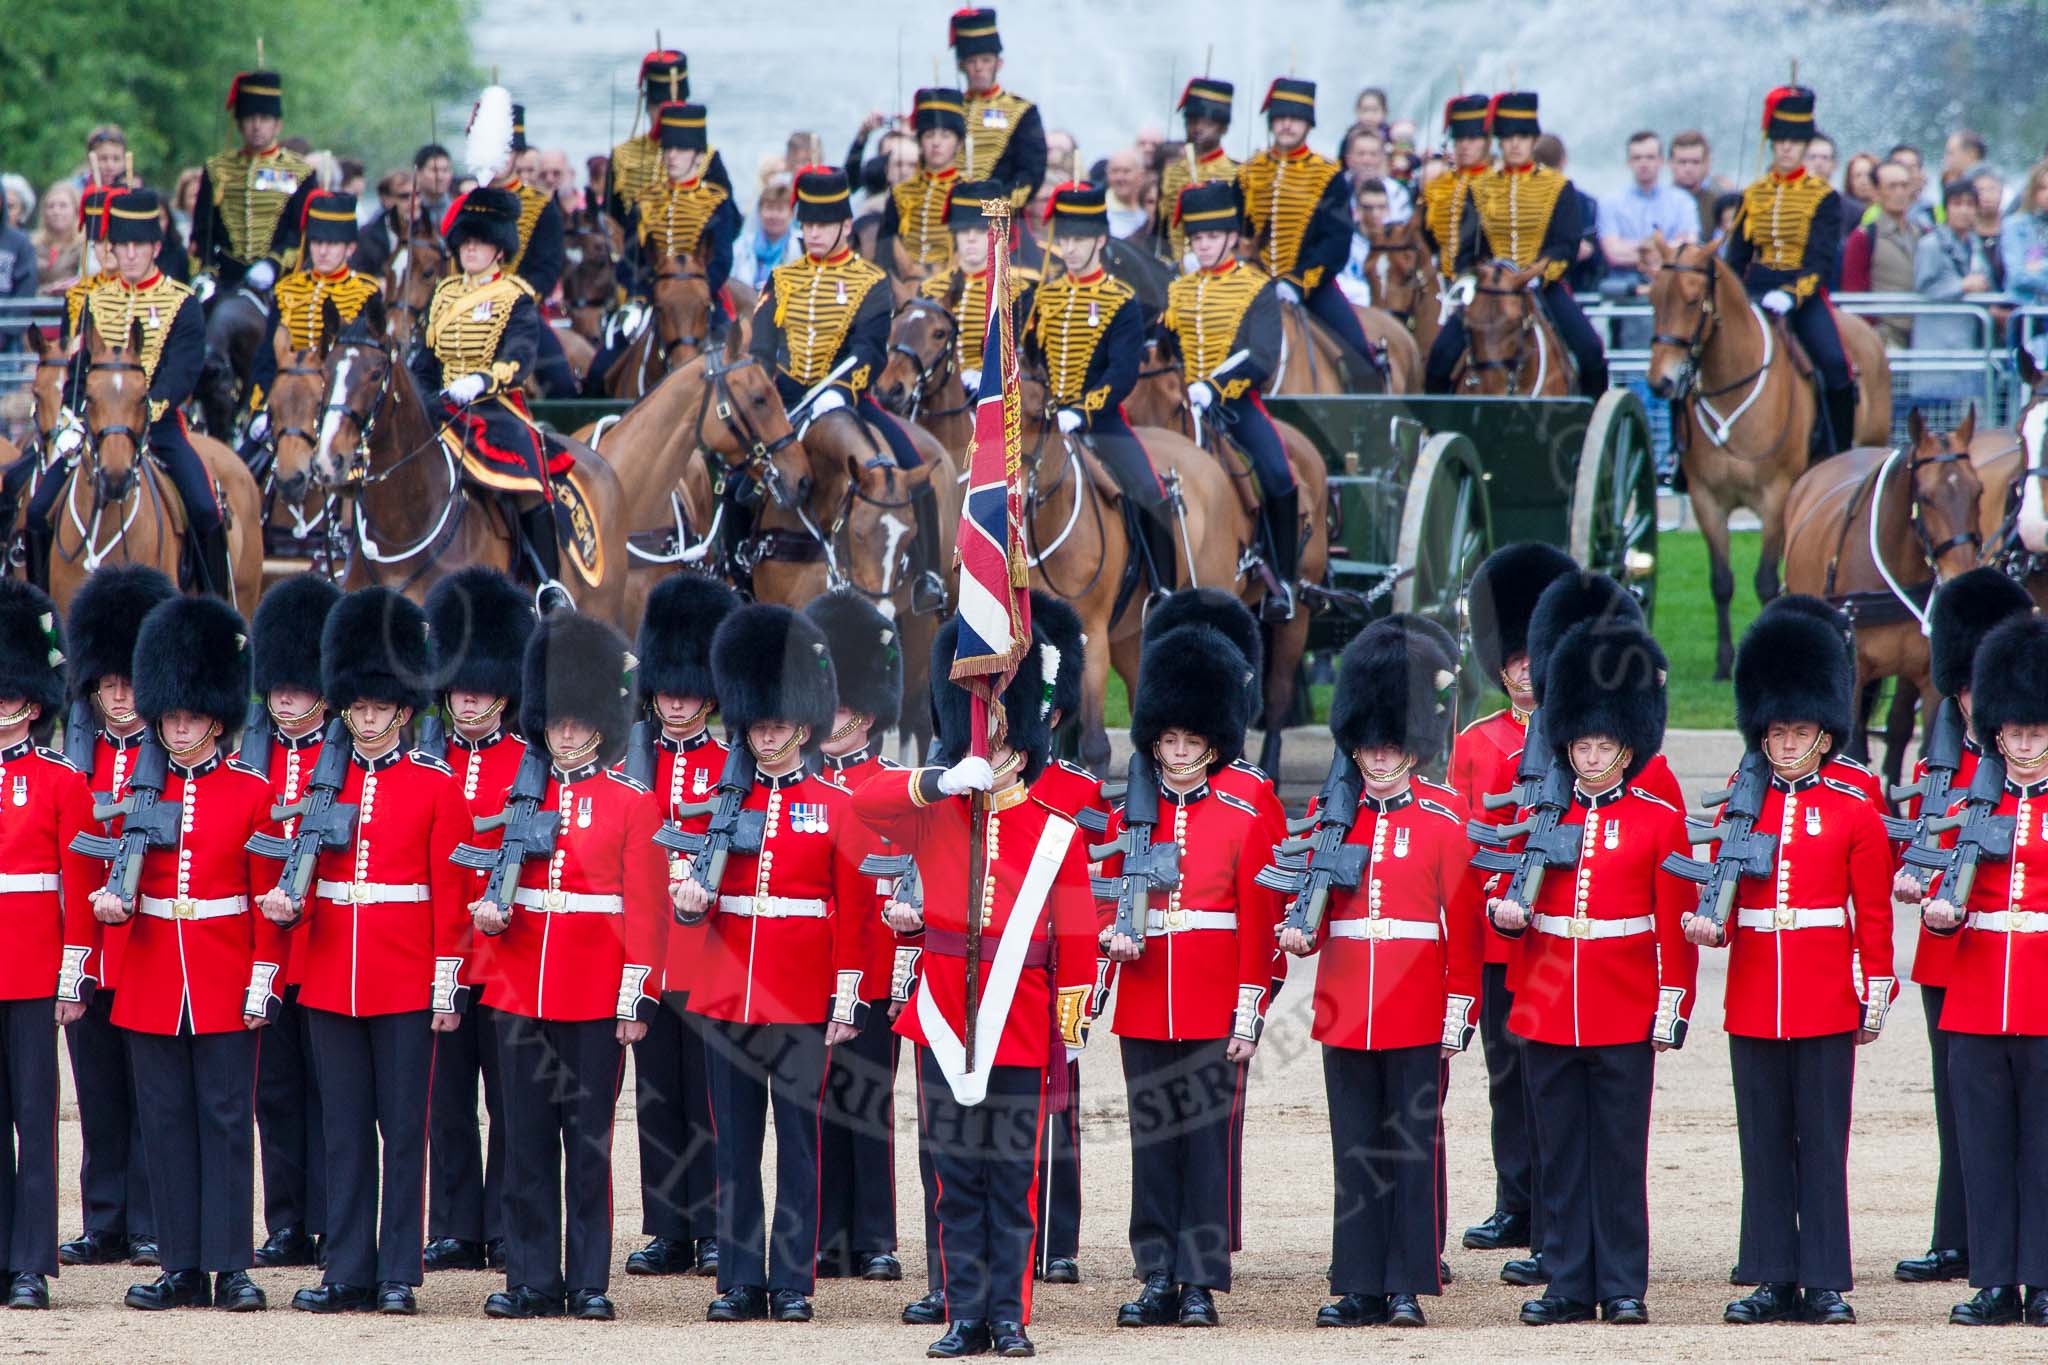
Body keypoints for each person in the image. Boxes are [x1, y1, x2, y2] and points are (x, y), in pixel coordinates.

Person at [851, 617, 1095, 1360]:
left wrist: (1069, 1027)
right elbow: (863, 799)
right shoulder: (938, 807)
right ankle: (964, 1313)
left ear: (1023, 742)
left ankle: (1010, 1316)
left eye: (1000, 732)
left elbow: (1077, 938)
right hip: (943, 1017)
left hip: (1019, 1019)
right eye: (978, 730)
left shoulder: (1057, 826)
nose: (989, 744)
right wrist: (938, 778)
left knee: (1010, 1179)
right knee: (954, 1177)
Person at [256, 587, 467, 1316]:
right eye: (361, 707)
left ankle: (397, 1273)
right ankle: (347, 1266)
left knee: (404, 1130)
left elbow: (448, 895)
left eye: (381, 707)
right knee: (343, 1130)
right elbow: (310, 874)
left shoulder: (436, 787)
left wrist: (445, 986)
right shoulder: (325, 780)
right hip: (329, 977)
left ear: (404, 709)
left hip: (406, 978)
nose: (369, 718)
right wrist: (292, 906)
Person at [1688, 606, 1895, 1326]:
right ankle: (1772, 1274)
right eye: (1774, 732)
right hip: (1754, 996)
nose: (1785, 743)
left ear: (1824, 734)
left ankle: (1825, 1278)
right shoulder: (1738, 814)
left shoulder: (1852, 810)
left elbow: (1871, 915)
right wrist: (1707, 924)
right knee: (1764, 1141)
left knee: (1821, 1137)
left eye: (1798, 732)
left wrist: (1874, 990)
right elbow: (1720, 899)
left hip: (1825, 994)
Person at [1487, 615, 1695, 1326]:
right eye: (1581, 741)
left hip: (1622, 1006)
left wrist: (1672, 1005)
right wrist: (1503, 915)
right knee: (1561, 1155)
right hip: (1548, 1008)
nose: (1591, 753)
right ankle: (1569, 1280)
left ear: (1626, 746)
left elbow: (1674, 929)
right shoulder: (1539, 817)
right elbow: (1505, 895)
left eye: (1603, 743)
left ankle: (1624, 1284)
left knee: (1618, 1153)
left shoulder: (1657, 820)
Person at [670, 604, 871, 1325]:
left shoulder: (834, 805)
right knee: (734, 1148)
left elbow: (853, 912)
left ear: (804, 727)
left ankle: (792, 1279)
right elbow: (688, 897)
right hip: (729, 997)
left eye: (778, 725)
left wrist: (845, 998)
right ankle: (739, 1278)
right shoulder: (718, 804)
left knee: (799, 1145)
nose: (767, 735)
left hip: (801, 999)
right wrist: (689, 900)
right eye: (758, 725)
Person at [1276, 620, 1477, 1328]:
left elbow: (1466, 932)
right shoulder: (1334, 818)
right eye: (1369, 745)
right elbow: (1318, 913)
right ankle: (1358, 1279)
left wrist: (1459, 1011)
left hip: (1418, 1006)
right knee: (1356, 1149)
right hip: (1344, 1006)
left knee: (1409, 1148)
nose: (1380, 756)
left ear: (1413, 748)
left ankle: (1405, 1282)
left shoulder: (1445, 818)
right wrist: (1301, 929)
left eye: (1392, 745)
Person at [472, 610, 666, 1321]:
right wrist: (488, 921)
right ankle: (531, 1277)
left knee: (586, 1147)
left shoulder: (630, 803)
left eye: (579, 722)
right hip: (520, 990)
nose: (566, 732)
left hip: (592, 997)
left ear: (600, 725)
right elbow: (487, 885)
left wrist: (635, 999)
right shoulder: (517, 796)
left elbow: (646, 913)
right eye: (556, 721)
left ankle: (587, 1279)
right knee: (522, 1141)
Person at [102, 595, 287, 1311]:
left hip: (222, 976)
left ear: (214, 715)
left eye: (189, 715)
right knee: (167, 1122)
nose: (178, 726)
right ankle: (180, 1263)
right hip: (154, 976)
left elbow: (266, 897)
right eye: (169, 715)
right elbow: (115, 884)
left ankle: (231, 1264)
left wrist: (261, 980)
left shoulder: (252, 792)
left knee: (226, 1119)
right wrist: (114, 916)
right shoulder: (136, 791)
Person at [1101, 618, 1279, 1330]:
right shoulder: (1132, 812)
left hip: (1212, 996)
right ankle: (1158, 1272)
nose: (1177, 753)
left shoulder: (1248, 802)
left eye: (1190, 741)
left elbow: (1261, 917)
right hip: (1145, 996)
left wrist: (1250, 1008)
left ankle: (1200, 1276)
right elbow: (1109, 896)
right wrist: (1111, 944)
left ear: (1213, 740)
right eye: (1167, 740)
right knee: (1153, 1137)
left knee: (1205, 1139)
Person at [1889, 570, 2033, 1290]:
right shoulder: (1941, 757)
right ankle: (1959, 1236)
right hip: (1949, 950)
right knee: (1960, 1104)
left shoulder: (2021, 757)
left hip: (2009, 952)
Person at [1453, 542, 1578, 1257]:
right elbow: (1464, 850)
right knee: (1506, 1074)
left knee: (1551, 1075)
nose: (1525, 670)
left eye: (1535, 657)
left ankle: (1556, 1207)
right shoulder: (1476, 743)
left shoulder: (1577, 738)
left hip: (1555, 934)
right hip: (1499, 941)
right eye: (1514, 660)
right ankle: (1515, 1200)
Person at [750, 166, 946, 613]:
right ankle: (737, 562)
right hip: (787, 403)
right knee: (739, 479)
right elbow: (762, 348)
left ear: (844, 226)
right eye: (808, 225)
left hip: (848, 400)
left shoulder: (872, 283)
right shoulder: (781, 281)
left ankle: (928, 575)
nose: (813, 234)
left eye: (823, 225)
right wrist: (771, 393)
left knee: (913, 467)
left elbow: (869, 350)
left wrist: (839, 389)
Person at [57, 566, 174, 1273]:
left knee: (150, 1090)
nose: (121, 695)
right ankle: (104, 1217)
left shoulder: (170, 755)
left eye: (130, 679)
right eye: (108, 683)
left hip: (153, 944)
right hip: (90, 945)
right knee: (97, 1089)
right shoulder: (77, 758)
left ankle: (151, 1217)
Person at [623, 573, 738, 1281]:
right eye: (668, 686)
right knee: (657, 1095)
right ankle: (669, 1226)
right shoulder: (630, 768)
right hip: (648, 955)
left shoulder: (731, 768)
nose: (675, 699)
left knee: (713, 1101)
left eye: (690, 688)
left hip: (711, 958)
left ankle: (718, 1228)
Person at [421, 567, 535, 1274]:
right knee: (444, 1097)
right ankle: (455, 1223)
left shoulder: (529, 762)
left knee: (511, 1098)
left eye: (482, 687)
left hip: (508, 953)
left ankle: (503, 1222)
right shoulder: (426, 763)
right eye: (460, 686)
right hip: (436, 952)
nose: (469, 698)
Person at [0, 581, 98, 1308]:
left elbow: (78, 885)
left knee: (37, 1116)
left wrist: (74, 975)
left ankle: (32, 1258)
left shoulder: (62, 779)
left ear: (32, 702)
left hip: (35, 966)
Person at [241, 574, 343, 1274]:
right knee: (273, 1092)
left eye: (299, 685)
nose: (285, 696)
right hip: (265, 948)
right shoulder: (255, 755)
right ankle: (286, 1222)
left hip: (328, 946)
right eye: (278, 685)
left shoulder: (341, 757)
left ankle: (335, 1219)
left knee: (331, 1093)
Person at [63, 189, 234, 599]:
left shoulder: (182, 302)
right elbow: (78, 366)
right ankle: (37, 609)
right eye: (123, 246)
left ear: (156, 247)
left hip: (159, 427)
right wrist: (71, 415)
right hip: (98, 430)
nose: (131, 255)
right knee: (35, 509)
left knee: (205, 509)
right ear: (112, 250)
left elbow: (184, 367)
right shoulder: (94, 300)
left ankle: (213, 604)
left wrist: (150, 407)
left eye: (139, 245)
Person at [805, 591, 905, 1283]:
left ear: (864, 715)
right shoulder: (798, 786)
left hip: (871, 973)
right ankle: (824, 1231)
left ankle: (874, 1235)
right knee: (814, 1104)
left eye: (837, 708)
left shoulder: (895, 788)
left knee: (866, 1102)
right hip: (808, 967)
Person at [406, 186, 571, 600]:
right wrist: (424, 397)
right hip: (439, 407)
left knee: (530, 480)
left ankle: (547, 584)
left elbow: (519, 357)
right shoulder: (443, 294)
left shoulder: (514, 297)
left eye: (480, 241)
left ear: (500, 249)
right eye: (466, 240)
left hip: (492, 408)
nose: (471, 248)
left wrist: (481, 381)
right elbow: (424, 361)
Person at [1025, 182, 1176, 599]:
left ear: (1101, 240)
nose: (1070, 249)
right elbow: (1032, 358)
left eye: (1080, 240)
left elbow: (1122, 372)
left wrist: (1083, 411)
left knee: (1149, 490)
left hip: (1101, 421)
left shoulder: (1121, 300)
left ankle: (1163, 590)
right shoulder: (1047, 295)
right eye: (1065, 239)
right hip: (1046, 423)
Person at [1163, 179, 1296, 619]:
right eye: (1196, 238)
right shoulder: (1179, 289)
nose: (1202, 246)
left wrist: (1214, 388)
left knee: (1277, 474)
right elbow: (1165, 343)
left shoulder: (1256, 287)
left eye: (1210, 237)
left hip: (1235, 406)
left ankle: (1283, 581)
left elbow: (1261, 355)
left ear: (1232, 238)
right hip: (1180, 405)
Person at [1436, 93, 1606, 399]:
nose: (1515, 144)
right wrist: (1481, 277)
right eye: (1508, 137)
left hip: (1542, 284)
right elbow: (1466, 250)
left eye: (1523, 137)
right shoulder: (1479, 187)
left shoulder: (1557, 186)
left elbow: (1565, 244)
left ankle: (1591, 427)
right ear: (1498, 141)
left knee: (1591, 351)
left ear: (1533, 141)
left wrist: (1539, 274)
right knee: (1438, 358)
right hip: (1489, 290)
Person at [1726, 88, 1856, 456]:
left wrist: (1791, 295)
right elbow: (1736, 257)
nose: (1786, 148)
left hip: (1802, 293)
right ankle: (1684, 459)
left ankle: (1838, 451)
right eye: (1780, 140)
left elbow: (1820, 261)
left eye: (1795, 142)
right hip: (1755, 289)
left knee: (1834, 363)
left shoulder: (1822, 196)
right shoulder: (1753, 194)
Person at [583, 100, 742, 393]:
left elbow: (721, 259)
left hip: (700, 296)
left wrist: (696, 289)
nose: (671, 156)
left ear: (697, 156)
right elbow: (631, 260)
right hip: (652, 298)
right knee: (602, 367)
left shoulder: (716, 201)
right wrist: (643, 294)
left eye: (680, 150)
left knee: (736, 356)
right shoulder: (646, 201)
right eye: (668, 149)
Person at [1237, 78, 1379, 383]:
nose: (1287, 125)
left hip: (1310, 287)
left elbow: (1335, 243)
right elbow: (1236, 232)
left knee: (1360, 356)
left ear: (1307, 125)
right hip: (1250, 286)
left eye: (1295, 119)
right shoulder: (1248, 173)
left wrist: (1297, 283)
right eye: (1281, 118)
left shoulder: (1327, 175)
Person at [246, 191, 385, 430]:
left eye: (332, 244)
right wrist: (261, 408)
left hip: (335, 404)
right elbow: (267, 356)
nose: (322, 251)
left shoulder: (366, 291)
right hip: (287, 403)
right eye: (317, 242)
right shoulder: (287, 290)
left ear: (350, 248)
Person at [475, 95, 574, 400]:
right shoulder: (468, 205)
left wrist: (509, 303)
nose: (501, 160)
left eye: (508, 152)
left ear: (517, 155)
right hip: (466, 309)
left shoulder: (542, 206)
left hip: (519, 313)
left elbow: (546, 269)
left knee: (562, 385)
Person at [190, 71, 315, 299]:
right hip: (224, 278)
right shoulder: (217, 169)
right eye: (249, 118)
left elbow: (300, 233)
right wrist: (207, 270)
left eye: (265, 119)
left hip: (280, 279)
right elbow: (202, 231)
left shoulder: (300, 173)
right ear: (238, 123)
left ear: (278, 125)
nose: (256, 126)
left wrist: (273, 264)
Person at [917, 178, 1034, 402]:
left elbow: (1014, 354)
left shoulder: (1018, 292)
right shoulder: (930, 288)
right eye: (963, 230)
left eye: (980, 230)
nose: (970, 238)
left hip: (991, 396)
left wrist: (982, 377)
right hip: (935, 395)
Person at [607, 50, 733, 228]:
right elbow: (612, 219)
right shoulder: (622, 156)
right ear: (649, 108)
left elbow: (729, 222)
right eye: (660, 110)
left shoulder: (707, 157)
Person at [948, 9, 1046, 208]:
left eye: (985, 60)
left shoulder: (1022, 111)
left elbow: (1031, 172)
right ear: (961, 66)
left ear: (998, 63)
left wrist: (995, 206)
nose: (979, 68)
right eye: (971, 61)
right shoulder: (950, 108)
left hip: (1000, 211)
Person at [876, 89, 967, 280]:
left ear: (959, 144)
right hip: (904, 280)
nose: (936, 143)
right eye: (929, 135)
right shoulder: (901, 192)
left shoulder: (969, 191)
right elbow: (884, 246)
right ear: (920, 142)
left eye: (945, 136)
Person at [1154, 79, 1239, 266]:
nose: (1198, 128)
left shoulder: (1237, 173)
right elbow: (1160, 230)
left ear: (1223, 128)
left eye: (1208, 123)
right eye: (1192, 121)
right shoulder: (1171, 172)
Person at [1915, 180, 1999, 363]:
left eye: (1970, 204)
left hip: (1968, 339)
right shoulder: (1930, 244)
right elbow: (1924, 288)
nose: (1964, 211)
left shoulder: (1976, 246)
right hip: (1937, 343)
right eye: (1957, 204)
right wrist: (1962, 286)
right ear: (1946, 208)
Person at [1841, 159, 1923, 346]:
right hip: (1884, 336)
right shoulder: (1863, 237)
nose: (1900, 192)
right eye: (1892, 186)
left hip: (1922, 331)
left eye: (1904, 185)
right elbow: (1853, 293)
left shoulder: (1922, 233)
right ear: (1876, 192)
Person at [1597, 132, 1698, 282]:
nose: (1643, 163)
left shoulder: (1682, 201)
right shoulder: (1610, 202)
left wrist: (1634, 248)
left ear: (1661, 161)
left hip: (1672, 282)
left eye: (1650, 157)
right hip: (1623, 285)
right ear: (1628, 162)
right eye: (1637, 158)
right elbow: (1613, 253)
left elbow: (1688, 247)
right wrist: (1663, 249)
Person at [1419, 94, 1491, 286]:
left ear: (1487, 140)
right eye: (1459, 139)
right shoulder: (1438, 186)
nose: (1464, 145)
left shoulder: (1500, 183)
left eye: (1472, 138)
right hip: (1440, 277)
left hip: (1488, 278)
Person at [734, 178, 800, 290]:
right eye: (769, 208)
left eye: (780, 209)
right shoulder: (741, 246)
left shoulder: (800, 245)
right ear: (759, 211)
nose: (774, 215)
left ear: (791, 213)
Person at [1340, 124, 1412, 224]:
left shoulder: (1397, 192)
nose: (1367, 160)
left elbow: (1398, 229)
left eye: (1373, 154)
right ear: (1348, 159)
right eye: (1361, 154)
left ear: (1383, 158)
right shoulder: (1336, 189)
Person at [1999, 161, 2048, 308]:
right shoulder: (2015, 225)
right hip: (2026, 311)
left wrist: (2040, 265)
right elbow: (2017, 275)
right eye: (2043, 188)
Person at [30, 180, 81, 292]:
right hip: (36, 305)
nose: (56, 211)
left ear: (76, 209)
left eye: (63, 206)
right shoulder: (32, 244)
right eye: (51, 206)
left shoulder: (85, 245)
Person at [1669, 130, 1717, 237]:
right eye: (1682, 162)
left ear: (1706, 164)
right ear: (1671, 164)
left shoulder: (1717, 204)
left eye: (1695, 162)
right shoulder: (1660, 202)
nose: (1688, 169)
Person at [413, 144, 456, 226]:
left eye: (445, 170)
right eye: (434, 170)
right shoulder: (409, 208)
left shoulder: (458, 209)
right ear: (418, 173)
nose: (440, 177)